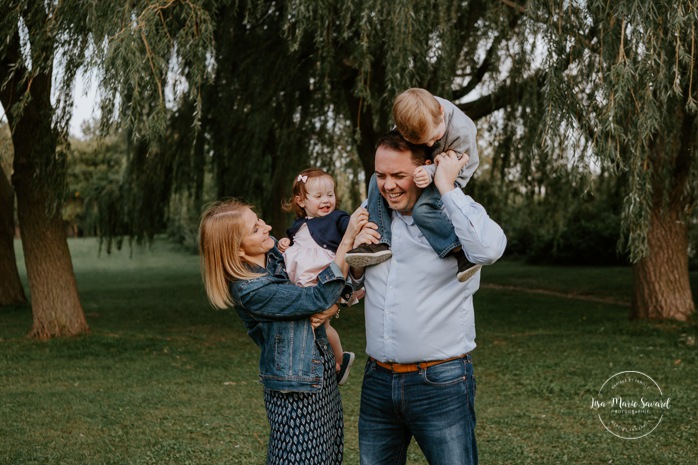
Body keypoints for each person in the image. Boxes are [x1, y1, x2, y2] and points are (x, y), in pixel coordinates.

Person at [350, 130, 507, 465]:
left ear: (424, 170)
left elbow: (490, 250)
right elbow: (350, 289)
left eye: (398, 176)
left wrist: (447, 186)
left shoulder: (452, 216)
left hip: (440, 382)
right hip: (377, 381)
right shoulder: (373, 216)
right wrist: (353, 246)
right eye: (381, 176)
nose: (388, 185)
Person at [199, 198, 367, 465]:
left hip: (321, 370)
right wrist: (346, 242)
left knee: (327, 454)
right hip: (295, 388)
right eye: (255, 229)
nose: (266, 227)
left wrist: (333, 302)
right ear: (238, 251)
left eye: (260, 221)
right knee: (297, 457)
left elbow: (319, 285)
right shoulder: (251, 289)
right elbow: (316, 298)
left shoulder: (275, 255)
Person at [346, 87, 482, 282]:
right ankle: (379, 240)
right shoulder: (409, 119)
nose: (429, 145)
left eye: (433, 139)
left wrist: (430, 172)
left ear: (441, 112)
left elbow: (456, 165)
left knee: (423, 210)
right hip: (424, 168)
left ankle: (459, 251)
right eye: (421, 141)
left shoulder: (461, 131)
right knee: (376, 181)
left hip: (451, 173)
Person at [277, 167, 364, 385]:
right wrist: (285, 243)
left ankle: (339, 358)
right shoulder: (298, 224)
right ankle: (330, 362)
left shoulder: (337, 218)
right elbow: (295, 241)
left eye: (330, 194)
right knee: (317, 325)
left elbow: (350, 226)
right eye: (318, 196)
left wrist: (358, 229)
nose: (326, 200)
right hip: (304, 283)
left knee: (321, 325)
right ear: (301, 201)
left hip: (324, 276)